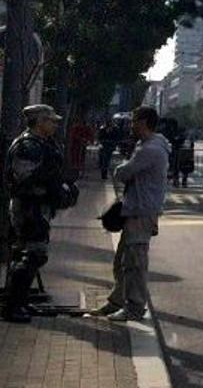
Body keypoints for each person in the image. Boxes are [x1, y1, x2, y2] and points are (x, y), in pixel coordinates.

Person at [91, 106, 169, 322]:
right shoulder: (145, 145)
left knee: (135, 262)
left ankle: (134, 308)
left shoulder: (150, 149)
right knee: (122, 261)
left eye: (134, 120)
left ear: (144, 122)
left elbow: (124, 172)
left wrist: (120, 170)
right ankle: (117, 301)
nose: (131, 124)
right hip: (136, 209)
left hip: (142, 211)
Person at [3, 105, 75, 323]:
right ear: (39, 122)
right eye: (51, 120)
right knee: (32, 254)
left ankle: (19, 302)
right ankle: (12, 307)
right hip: (28, 207)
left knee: (29, 254)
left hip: (38, 206)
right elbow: (25, 179)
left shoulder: (42, 144)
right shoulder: (27, 146)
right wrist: (53, 185)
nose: (54, 124)